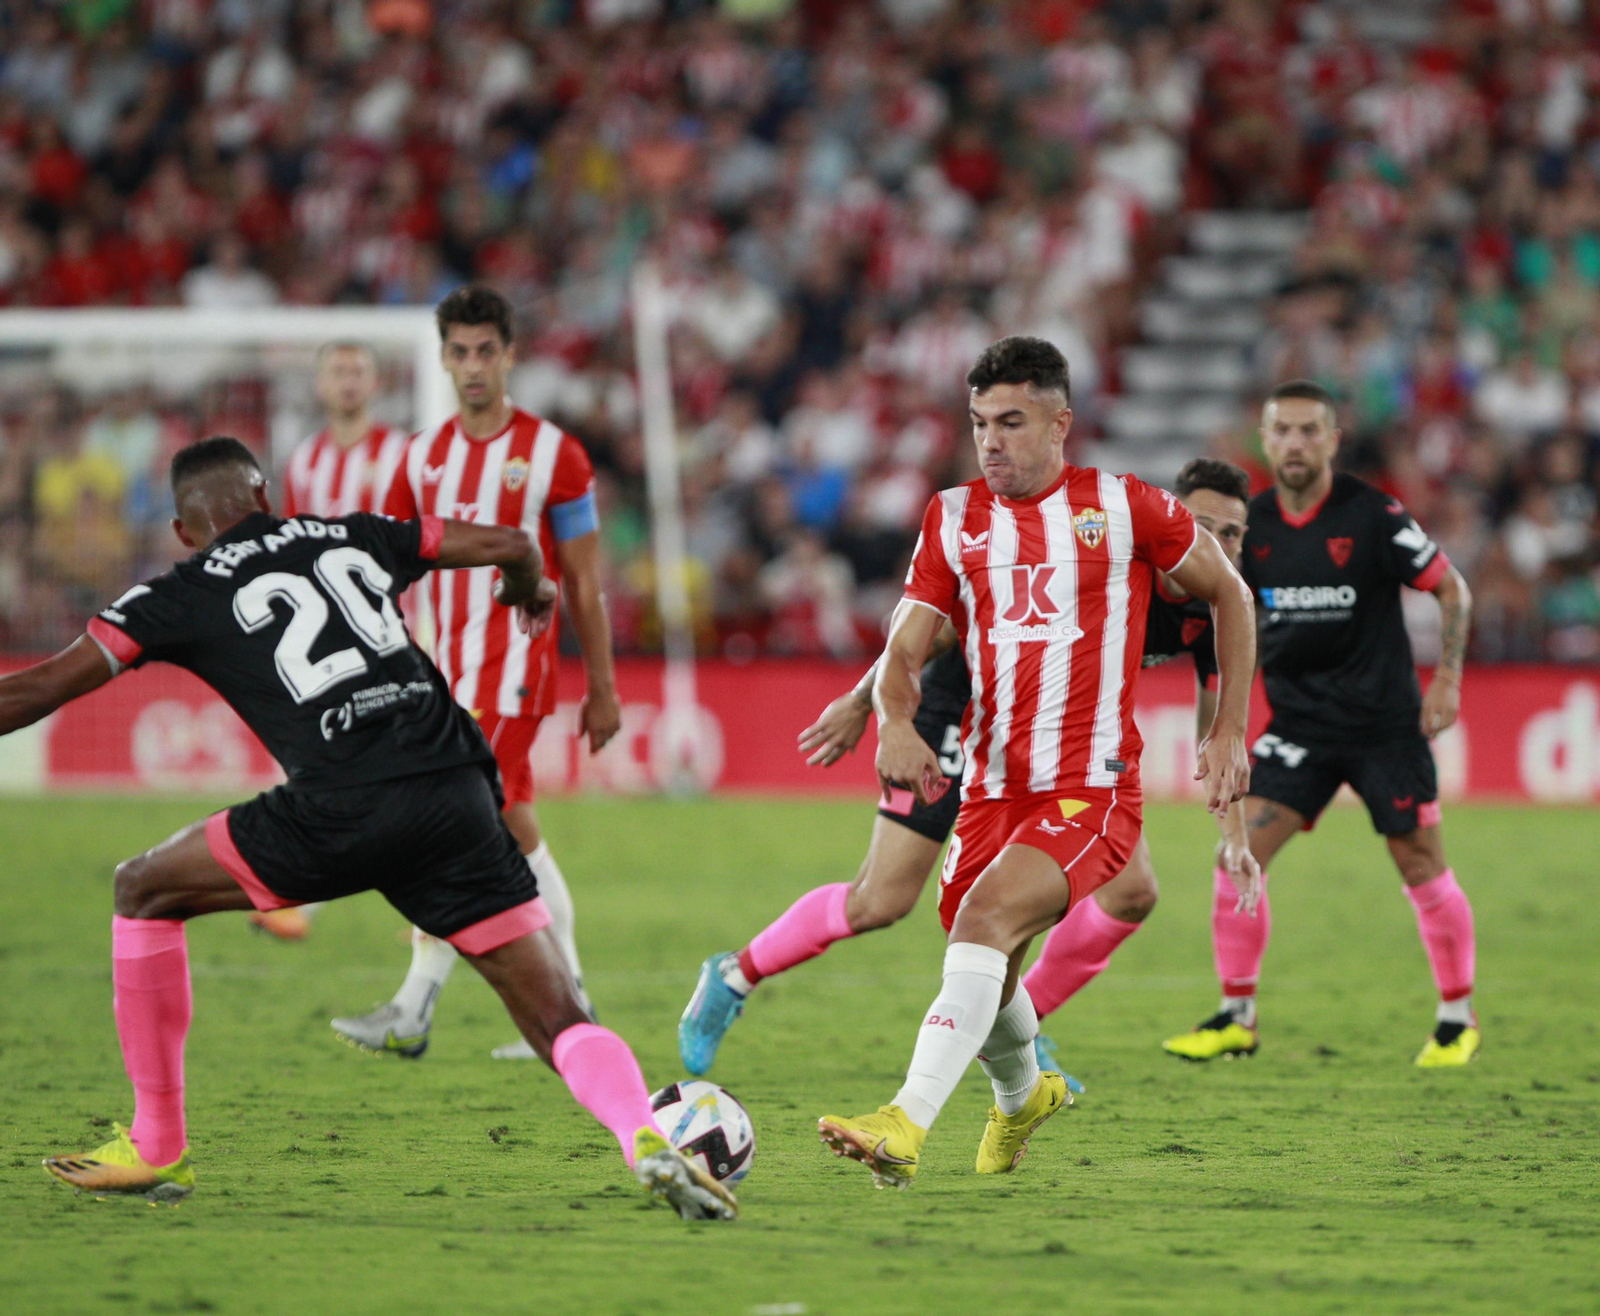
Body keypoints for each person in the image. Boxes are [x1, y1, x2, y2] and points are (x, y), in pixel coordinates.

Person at [6, 438, 732, 1220]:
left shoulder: (177, 591)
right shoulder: (352, 533)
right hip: (456, 790)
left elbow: (43, 687)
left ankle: (157, 1145)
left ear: (184, 531)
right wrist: (531, 590)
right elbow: (515, 544)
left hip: (340, 804)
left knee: (141, 888)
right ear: (266, 496)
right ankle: (644, 1136)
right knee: (560, 1019)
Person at [814, 336, 1255, 1189]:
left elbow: (1229, 593)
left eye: (1011, 422)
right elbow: (904, 650)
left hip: (1091, 790)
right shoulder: (951, 518)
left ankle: (903, 1123)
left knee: (980, 927)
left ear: (1061, 423)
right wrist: (891, 723)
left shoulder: (1126, 509)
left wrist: (1228, 728)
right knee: (989, 962)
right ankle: (1025, 1097)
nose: (991, 441)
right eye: (980, 422)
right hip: (990, 791)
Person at [677, 458, 1261, 1081]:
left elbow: (1215, 733)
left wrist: (1235, 840)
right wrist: (860, 701)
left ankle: (1020, 1024)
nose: (1217, 546)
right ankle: (735, 973)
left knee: (1129, 891)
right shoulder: (1112, 562)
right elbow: (943, 627)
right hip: (961, 714)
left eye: (1232, 534)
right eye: (1203, 527)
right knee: (881, 899)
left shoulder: (1211, 607)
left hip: (1060, 748)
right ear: (1172, 521)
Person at [330, 286, 622, 1061]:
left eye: (485, 350)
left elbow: (585, 579)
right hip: (444, 681)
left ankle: (413, 1006)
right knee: (513, 831)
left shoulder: (557, 455)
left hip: (515, 678)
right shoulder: (419, 457)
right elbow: (383, 570)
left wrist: (602, 684)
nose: (471, 366)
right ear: (443, 358)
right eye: (457, 352)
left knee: (445, 823)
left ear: (510, 354)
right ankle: (576, 1006)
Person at [1161, 380, 1479, 1068]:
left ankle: (1456, 1018)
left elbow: (1451, 586)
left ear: (1333, 440)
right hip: (1298, 730)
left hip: (1385, 730)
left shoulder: (1373, 514)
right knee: (1234, 856)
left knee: (1421, 863)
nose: (1297, 443)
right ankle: (1235, 1016)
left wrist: (1448, 676)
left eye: (1311, 431)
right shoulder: (1251, 528)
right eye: (1284, 431)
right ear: (1265, 441)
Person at [252, 341, 410, 940]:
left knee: (401, 773)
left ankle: (436, 904)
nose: (348, 381)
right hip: (322, 642)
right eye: (337, 371)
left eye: (359, 370)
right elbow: (289, 547)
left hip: (393, 635)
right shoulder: (305, 461)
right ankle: (299, 899)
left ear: (376, 383)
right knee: (325, 766)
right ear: (320, 385)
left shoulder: (401, 455)